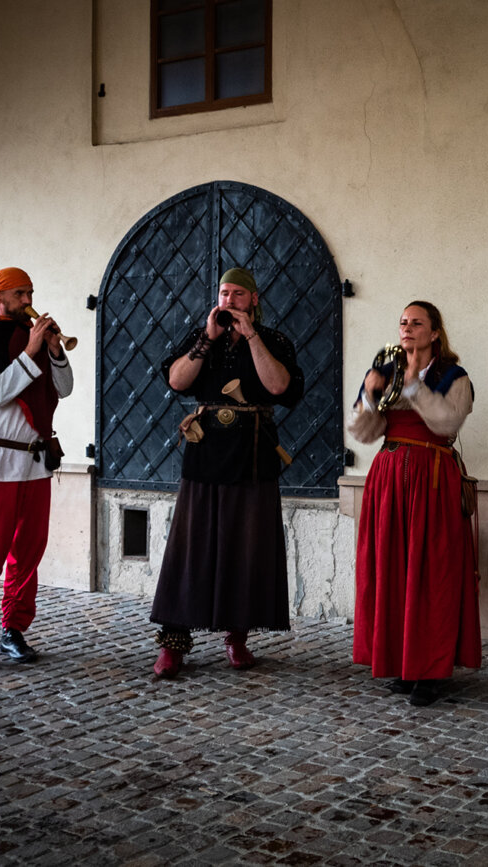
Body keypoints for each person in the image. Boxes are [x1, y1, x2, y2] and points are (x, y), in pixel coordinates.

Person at [150, 267, 303, 678]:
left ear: (254, 299)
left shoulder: (273, 341)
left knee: (248, 548)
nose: (229, 300)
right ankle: (174, 644)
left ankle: (237, 637)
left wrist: (251, 335)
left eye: (238, 294)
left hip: (253, 455)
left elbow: (278, 387)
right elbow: (177, 379)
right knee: (189, 548)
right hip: (205, 455)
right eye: (224, 293)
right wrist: (206, 339)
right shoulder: (204, 338)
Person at [348, 301, 481, 707]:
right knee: (392, 569)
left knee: (432, 574)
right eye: (403, 322)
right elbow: (362, 433)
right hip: (388, 480)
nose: (407, 328)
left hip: (433, 482)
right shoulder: (382, 373)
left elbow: (446, 423)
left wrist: (412, 385)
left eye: (416, 323)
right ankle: (402, 663)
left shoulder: (454, 377)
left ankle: (430, 669)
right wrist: (370, 396)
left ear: (435, 332)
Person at [0, 267, 73, 674]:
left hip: (34, 461)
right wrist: (31, 349)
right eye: (20, 294)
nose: (28, 300)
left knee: (28, 553)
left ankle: (13, 630)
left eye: (30, 293)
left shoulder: (34, 339)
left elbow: (66, 388)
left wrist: (54, 352)